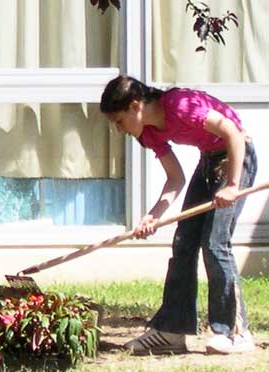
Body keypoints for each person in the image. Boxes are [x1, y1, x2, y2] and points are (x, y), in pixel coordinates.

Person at [100, 75, 257, 355]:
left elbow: (232, 132)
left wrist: (233, 185)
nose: (119, 129)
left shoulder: (180, 105)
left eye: (119, 121)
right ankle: (172, 330)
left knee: (215, 242)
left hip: (236, 156)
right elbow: (175, 178)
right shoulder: (148, 133)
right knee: (184, 242)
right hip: (209, 160)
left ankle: (235, 332)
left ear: (135, 106)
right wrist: (153, 215)